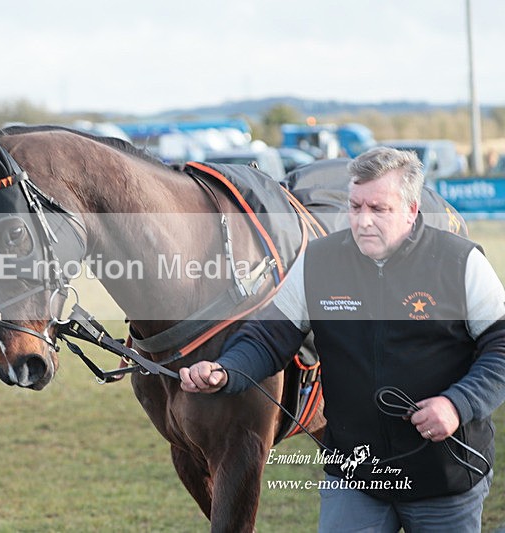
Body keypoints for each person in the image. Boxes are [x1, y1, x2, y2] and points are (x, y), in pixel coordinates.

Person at [180, 147, 505, 532]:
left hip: (444, 476)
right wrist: (226, 370)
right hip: (355, 476)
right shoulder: (318, 261)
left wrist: (457, 405)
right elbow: (269, 337)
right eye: (355, 206)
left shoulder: (460, 262)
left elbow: (500, 346)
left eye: (378, 209)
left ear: (411, 210)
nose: (363, 220)